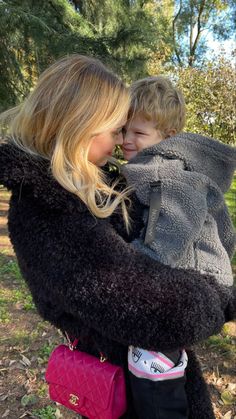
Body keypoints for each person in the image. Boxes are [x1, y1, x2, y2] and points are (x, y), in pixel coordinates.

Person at [0, 55, 234, 419]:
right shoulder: (47, 207)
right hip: (131, 386)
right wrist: (218, 297)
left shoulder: (90, 183)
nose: (119, 140)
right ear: (81, 125)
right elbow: (146, 303)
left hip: (143, 371)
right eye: (114, 129)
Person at [121, 75, 236, 419]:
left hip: (178, 285)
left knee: (152, 371)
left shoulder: (167, 172)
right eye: (123, 130)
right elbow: (226, 232)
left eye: (138, 133)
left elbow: (173, 228)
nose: (126, 140)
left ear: (167, 137)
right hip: (196, 278)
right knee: (162, 360)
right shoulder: (172, 166)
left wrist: (133, 266)